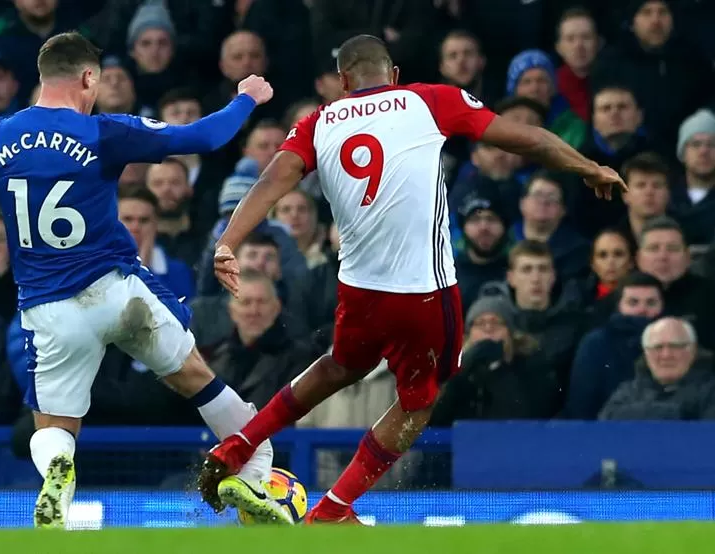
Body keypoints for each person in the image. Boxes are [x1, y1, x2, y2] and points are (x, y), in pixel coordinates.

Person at [197, 34, 626, 524]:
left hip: (359, 290)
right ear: (393, 74)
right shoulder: (428, 100)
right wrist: (588, 166)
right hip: (425, 290)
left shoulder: (317, 123)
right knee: (421, 399)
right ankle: (334, 509)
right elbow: (522, 135)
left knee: (339, 365)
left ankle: (239, 443)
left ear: (343, 81)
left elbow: (274, 177)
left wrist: (227, 240)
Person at [0, 32, 288, 528]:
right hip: (115, 287)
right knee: (196, 378)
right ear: (87, 78)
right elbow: (204, 138)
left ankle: (59, 468)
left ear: (42, 77)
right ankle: (254, 473)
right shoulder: (103, 131)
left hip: (51, 309)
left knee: (53, 428)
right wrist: (247, 97)